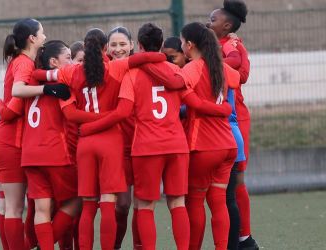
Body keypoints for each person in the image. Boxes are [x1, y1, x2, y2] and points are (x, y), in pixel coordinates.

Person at [78, 23, 234, 250]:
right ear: (161, 45)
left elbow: (124, 111)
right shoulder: (177, 71)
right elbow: (188, 99)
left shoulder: (131, 74)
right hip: (177, 144)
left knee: (145, 205)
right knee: (178, 203)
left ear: (138, 46)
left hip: (147, 146)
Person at [32, 28, 167, 250]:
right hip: (110, 140)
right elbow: (150, 57)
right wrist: (161, 56)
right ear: (105, 49)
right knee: (108, 203)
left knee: (87, 206)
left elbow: (39, 75)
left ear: (85, 48)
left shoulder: (72, 73)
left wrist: (50, 86)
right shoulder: (115, 67)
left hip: (85, 142)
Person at [0, 18, 47, 250]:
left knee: (5, 207)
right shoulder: (24, 62)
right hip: (9, 141)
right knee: (14, 208)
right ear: (32, 38)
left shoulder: (18, 61)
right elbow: (14, 103)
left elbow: (9, 105)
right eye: (41, 33)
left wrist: (1, 106)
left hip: (0, 139)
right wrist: (47, 88)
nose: (44, 36)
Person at [179, 22, 239, 250]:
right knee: (218, 201)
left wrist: (220, 108)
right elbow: (239, 77)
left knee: (194, 202)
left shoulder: (191, 69)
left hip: (204, 145)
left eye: (182, 41)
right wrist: (223, 108)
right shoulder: (220, 67)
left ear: (189, 45)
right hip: (227, 145)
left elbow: (192, 102)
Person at [207, 1, 258, 249]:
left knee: (236, 180)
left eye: (212, 19)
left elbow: (242, 72)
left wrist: (210, 60)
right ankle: (231, 239)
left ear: (226, 25)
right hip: (213, 119)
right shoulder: (208, 46)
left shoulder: (234, 45)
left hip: (235, 119)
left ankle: (244, 237)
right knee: (219, 186)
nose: (208, 22)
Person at [106, 26, 137, 250]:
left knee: (143, 205)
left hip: (145, 143)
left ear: (132, 45)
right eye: (114, 45)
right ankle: (115, 245)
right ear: (107, 48)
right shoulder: (104, 70)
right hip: (118, 146)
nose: (118, 49)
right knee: (123, 204)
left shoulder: (142, 68)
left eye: (122, 44)